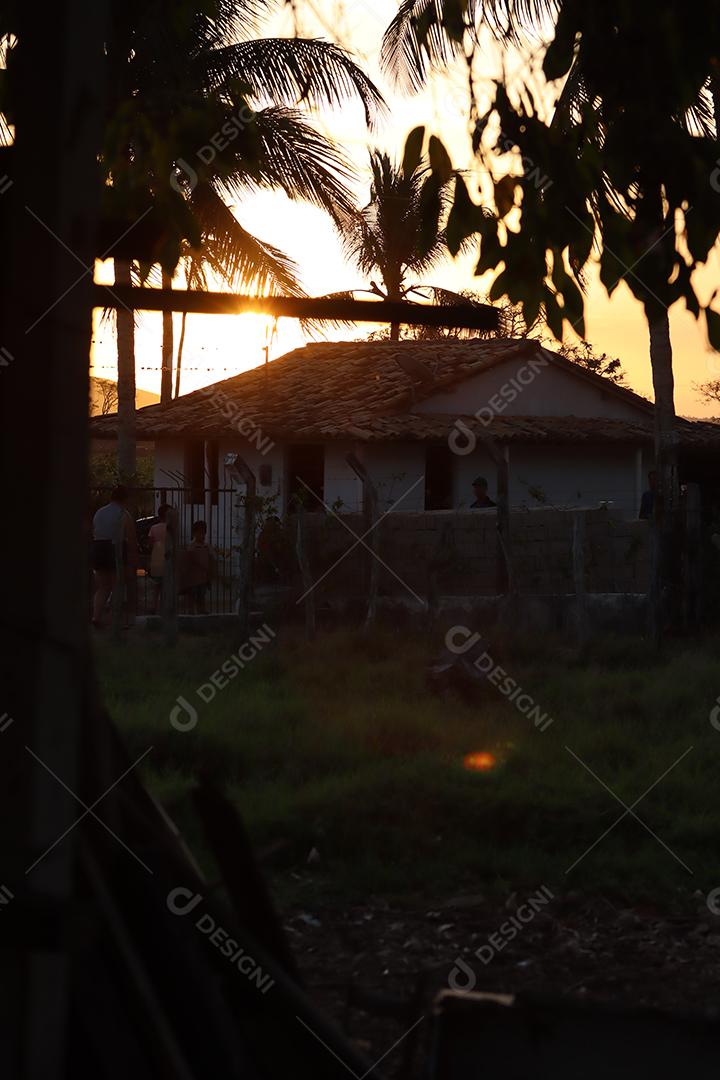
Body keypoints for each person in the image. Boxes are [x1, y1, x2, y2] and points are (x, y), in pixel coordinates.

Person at [91, 485, 138, 627]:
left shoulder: (99, 512)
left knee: (103, 586)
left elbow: (94, 531)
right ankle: (115, 619)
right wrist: (133, 558)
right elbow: (131, 538)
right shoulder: (123, 514)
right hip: (116, 548)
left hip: (98, 548)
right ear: (125, 499)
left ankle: (96, 617)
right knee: (117, 584)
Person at [178, 520, 214, 614]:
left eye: (203, 533)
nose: (201, 535)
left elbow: (211, 559)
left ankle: (201, 611)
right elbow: (187, 560)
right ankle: (190, 613)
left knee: (201, 596)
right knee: (192, 596)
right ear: (194, 533)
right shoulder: (191, 546)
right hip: (192, 578)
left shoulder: (207, 546)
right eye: (199, 533)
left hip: (203, 577)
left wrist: (209, 573)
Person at [148, 503, 171, 613]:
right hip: (168, 558)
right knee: (167, 586)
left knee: (156, 586)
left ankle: (153, 606)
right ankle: (165, 607)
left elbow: (151, 543)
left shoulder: (153, 528)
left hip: (156, 558)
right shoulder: (171, 529)